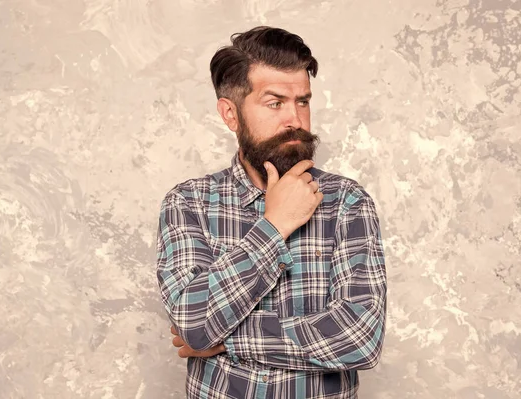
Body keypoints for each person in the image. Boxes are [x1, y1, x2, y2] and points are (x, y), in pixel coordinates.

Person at [156, 26, 387, 399]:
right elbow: (194, 323)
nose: (295, 119)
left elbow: (360, 338)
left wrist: (228, 339)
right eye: (275, 103)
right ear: (230, 114)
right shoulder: (188, 202)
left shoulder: (347, 202)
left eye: (303, 101)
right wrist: (274, 224)